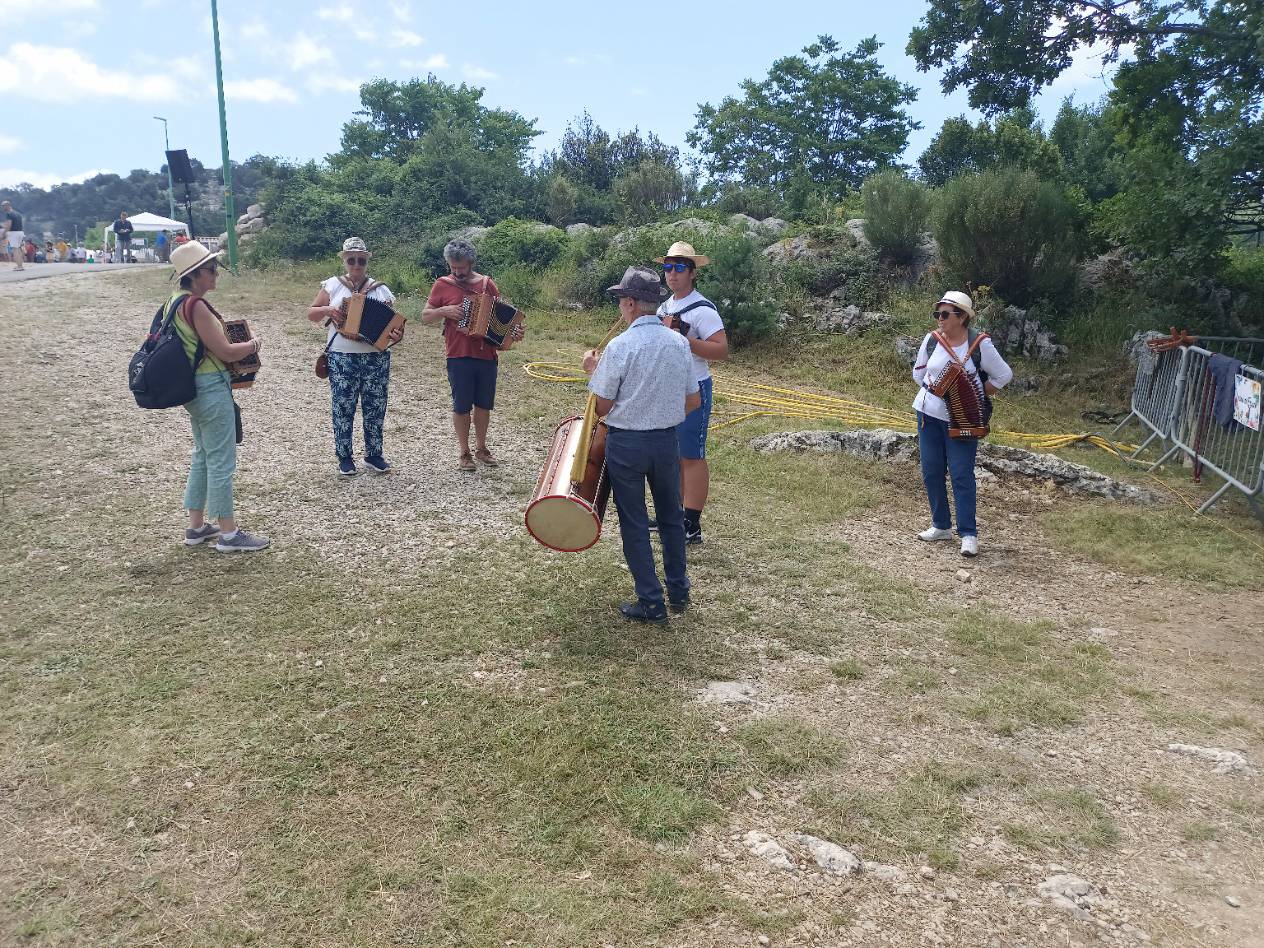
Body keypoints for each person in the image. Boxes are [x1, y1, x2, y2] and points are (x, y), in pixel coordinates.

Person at [583, 266, 700, 623]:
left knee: (634, 522)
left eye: (621, 300)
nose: (621, 307)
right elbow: (693, 400)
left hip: (627, 444)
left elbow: (602, 405)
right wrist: (659, 410)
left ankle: (651, 602)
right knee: (670, 519)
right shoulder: (679, 343)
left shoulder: (620, 346)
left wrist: (592, 371)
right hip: (666, 442)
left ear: (631, 303)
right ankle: (678, 592)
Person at [166, 240, 270, 552]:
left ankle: (196, 526)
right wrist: (254, 345)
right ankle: (229, 533)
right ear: (195, 274)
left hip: (194, 389)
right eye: (211, 270)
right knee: (222, 460)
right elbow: (224, 350)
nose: (216, 275)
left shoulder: (176, 300)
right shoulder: (196, 306)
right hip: (211, 386)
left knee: (202, 455)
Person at [911, 291, 1013, 558]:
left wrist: (977, 395)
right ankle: (941, 525)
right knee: (931, 471)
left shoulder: (980, 344)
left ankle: (968, 534)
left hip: (963, 420)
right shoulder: (931, 340)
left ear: (962, 317)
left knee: (961, 475)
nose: (939, 319)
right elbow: (918, 373)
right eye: (937, 314)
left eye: (945, 314)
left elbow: (1004, 374)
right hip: (928, 415)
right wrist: (938, 393)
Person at [305, 237, 403, 475]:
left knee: (375, 407)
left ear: (366, 262)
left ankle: (374, 454)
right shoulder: (332, 285)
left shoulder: (380, 289)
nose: (356, 265)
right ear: (345, 261)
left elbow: (392, 325)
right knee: (342, 407)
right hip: (342, 356)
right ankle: (345, 457)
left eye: (361, 260)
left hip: (375, 357)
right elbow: (311, 314)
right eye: (352, 260)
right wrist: (328, 309)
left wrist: (397, 334)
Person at [654, 240, 728, 545]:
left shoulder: (703, 309)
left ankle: (692, 524)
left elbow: (721, 350)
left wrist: (685, 337)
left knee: (692, 456)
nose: (672, 273)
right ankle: (673, 515)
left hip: (694, 386)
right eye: (668, 267)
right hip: (668, 387)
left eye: (680, 267)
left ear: (692, 272)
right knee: (671, 455)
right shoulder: (663, 306)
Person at [421, 238, 506, 471]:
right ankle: (464, 452)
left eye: (461, 267)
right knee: (461, 406)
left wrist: (512, 331)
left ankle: (481, 448)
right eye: (453, 267)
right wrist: (444, 310)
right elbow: (426, 316)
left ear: (471, 262)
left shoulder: (487, 284)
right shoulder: (442, 284)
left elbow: (501, 316)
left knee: (484, 404)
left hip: (486, 354)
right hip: (458, 354)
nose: (457, 272)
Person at [1, 200, 23, 270]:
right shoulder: (18, 213)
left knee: (15, 250)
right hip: (20, 232)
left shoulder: (9, 214)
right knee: (18, 249)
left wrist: (4, 233)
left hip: (13, 233)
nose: (2, 207)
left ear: (7, 206)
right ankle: (20, 265)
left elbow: (9, 225)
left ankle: (19, 266)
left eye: (3, 206)